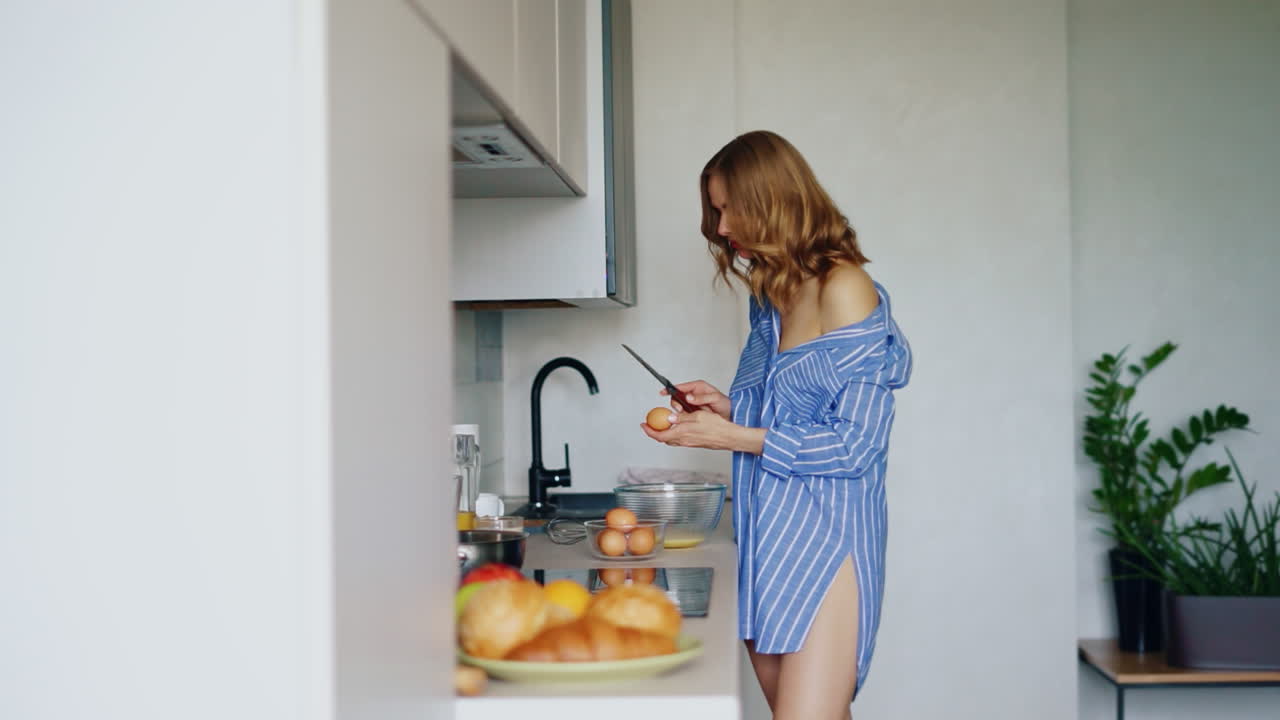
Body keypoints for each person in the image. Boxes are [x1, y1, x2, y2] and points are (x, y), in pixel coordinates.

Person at [640, 130, 913, 719]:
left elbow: (857, 444)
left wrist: (732, 438)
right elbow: (791, 412)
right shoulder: (770, 294)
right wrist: (727, 409)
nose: (720, 224)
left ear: (771, 199)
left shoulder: (846, 287)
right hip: (766, 531)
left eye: (728, 206)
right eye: (715, 209)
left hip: (829, 534)